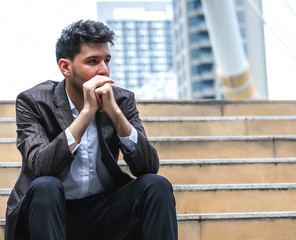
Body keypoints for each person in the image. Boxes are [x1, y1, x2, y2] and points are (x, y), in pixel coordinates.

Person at [5, 19, 178, 240]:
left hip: (105, 213)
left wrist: (115, 113)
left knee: (157, 185)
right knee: (45, 186)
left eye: (107, 60)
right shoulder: (33, 101)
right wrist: (86, 114)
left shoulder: (122, 100)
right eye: (93, 61)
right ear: (66, 67)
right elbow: (41, 167)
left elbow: (148, 167)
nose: (104, 70)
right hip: (51, 214)